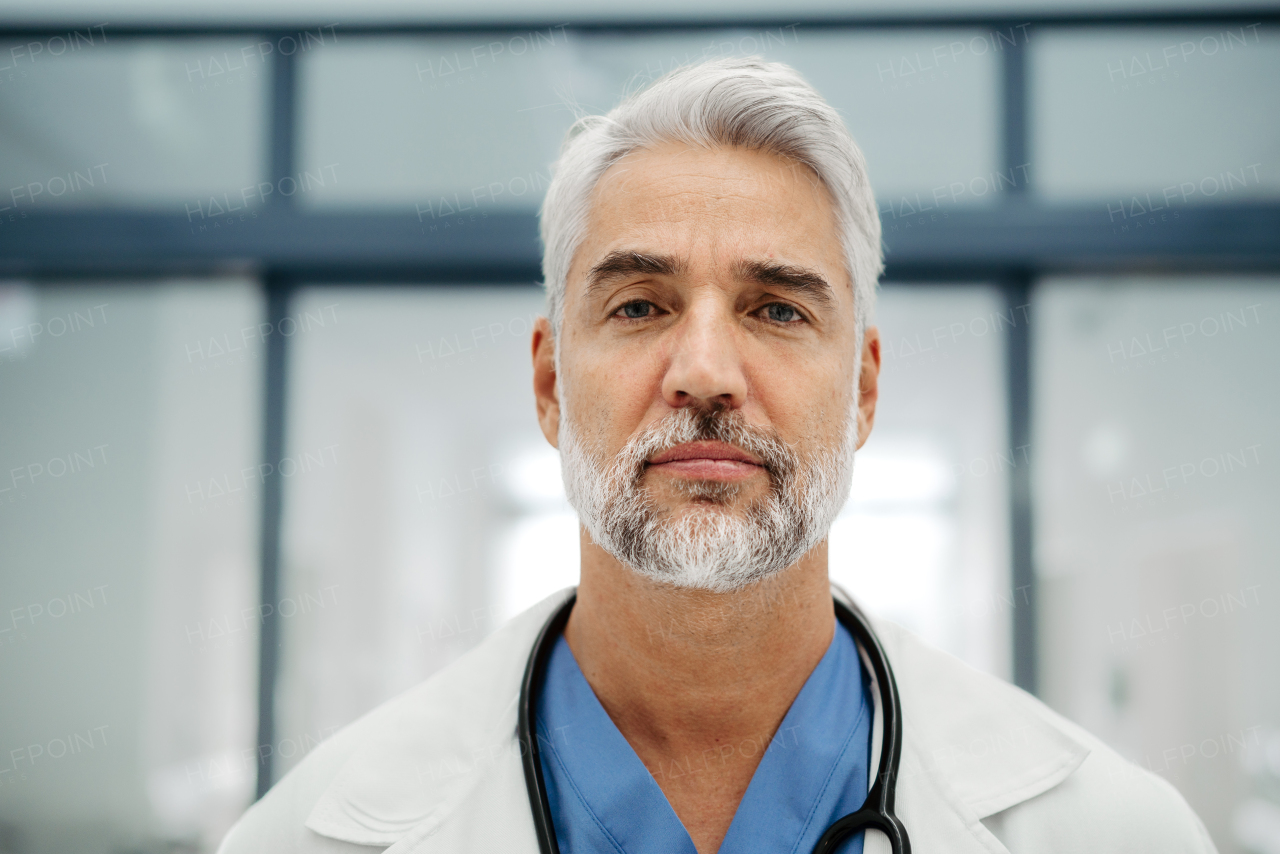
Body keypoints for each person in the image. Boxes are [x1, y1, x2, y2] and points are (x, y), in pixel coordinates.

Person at [217, 56, 1216, 854]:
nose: (703, 371)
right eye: (640, 305)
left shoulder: (1114, 831)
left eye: (775, 307)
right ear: (549, 384)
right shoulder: (295, 838)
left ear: (862, 387)